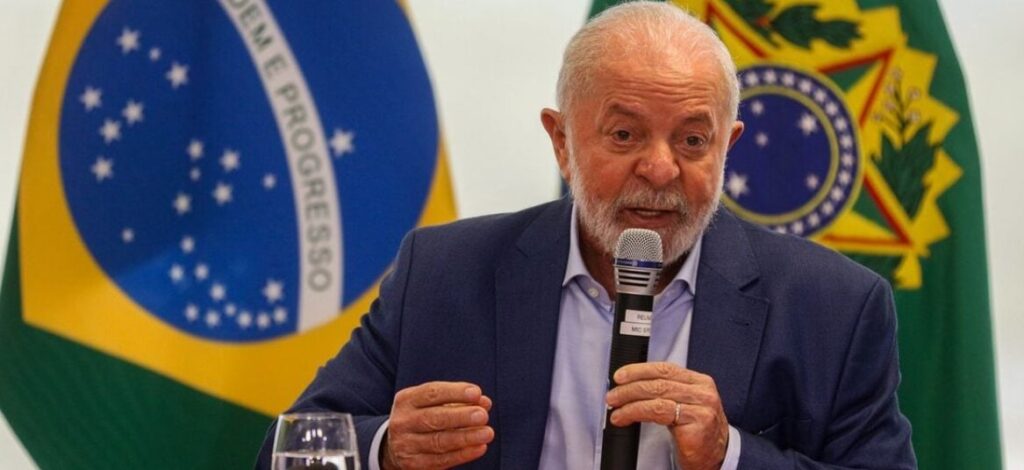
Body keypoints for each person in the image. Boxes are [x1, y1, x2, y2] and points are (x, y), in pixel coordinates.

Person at [256, 2, 916, 468]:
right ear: (562, 141)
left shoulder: (834, 307)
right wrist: (386, 450)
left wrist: (731, 455)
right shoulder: (443, 273)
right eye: (625, 134)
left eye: (693, 140)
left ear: (728, 147)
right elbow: (288, 453)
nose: (661, 168)